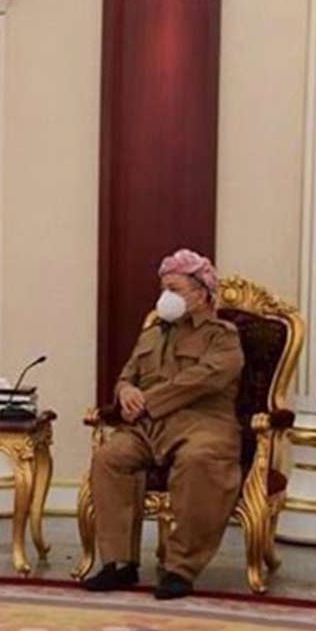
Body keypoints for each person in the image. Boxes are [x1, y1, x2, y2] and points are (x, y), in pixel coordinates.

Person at [82, 248, 244, 600]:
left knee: (199, 460)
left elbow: (206, 378)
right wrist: (126, 392)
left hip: (204, 424)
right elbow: (127, 376)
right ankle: (119, 563)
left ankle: (179, 568)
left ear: (200, 293)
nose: (165, 297)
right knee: (110, 458)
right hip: (148, 427)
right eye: (163, 289)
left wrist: (148, 401)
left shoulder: (222, 335)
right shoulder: (152, 334)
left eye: (174, 289)